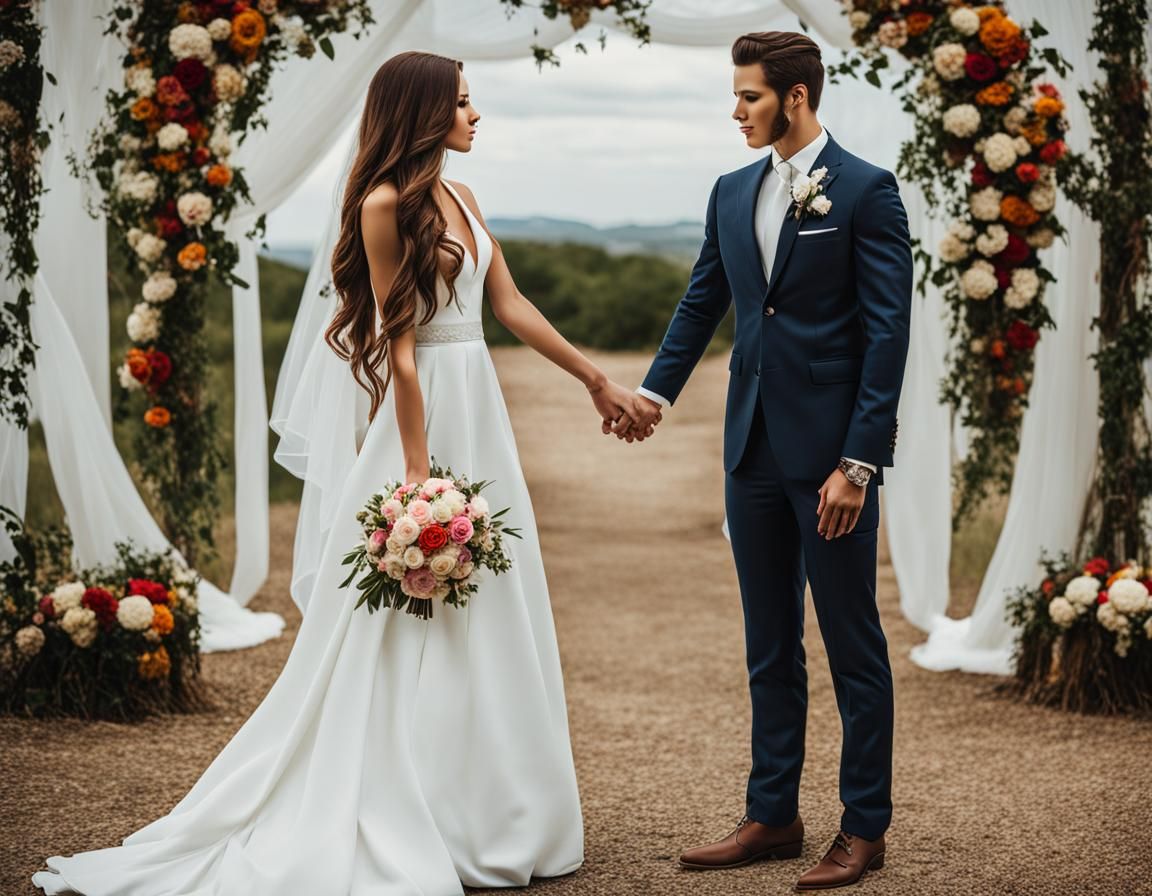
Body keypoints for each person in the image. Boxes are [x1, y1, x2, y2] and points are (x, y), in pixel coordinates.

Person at [32, 50, 653, 896]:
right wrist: (416, 477)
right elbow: (399, 352)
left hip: (482, 415)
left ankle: (493, 806)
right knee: (395, 624)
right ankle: (402, 800)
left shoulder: (465, 199)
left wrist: (597, 381)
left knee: (496, 607)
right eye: (464, 103)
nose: (477, 117)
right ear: (426, 112)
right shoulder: (383, 206)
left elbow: (509, 307)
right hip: (421, 423)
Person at [615, 30, 912, 891]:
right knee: (768, 645)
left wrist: (859, 464)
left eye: (748, 95)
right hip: (748, 451)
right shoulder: (730, 190)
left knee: (852, 643)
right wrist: (655, 398)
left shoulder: (866, 191)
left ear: (797, 96)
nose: (735, 109)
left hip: (830, 464)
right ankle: (773, 814)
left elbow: (887, 333)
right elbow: (704, 297)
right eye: (735, 94)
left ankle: (865, 828)